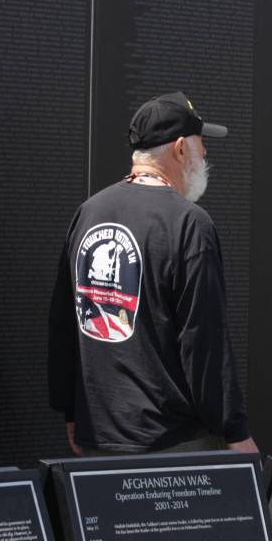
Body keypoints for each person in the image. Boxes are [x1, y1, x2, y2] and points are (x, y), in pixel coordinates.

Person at [48, 92, 257, 455]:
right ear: (180, 149)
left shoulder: (89, 212)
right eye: (201, 143)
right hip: (171, 446)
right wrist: (235, 431)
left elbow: (64, 323)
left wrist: (71, 410)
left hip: (98, 437)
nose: (205, 153)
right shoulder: (189, 223)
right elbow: (203, 340)